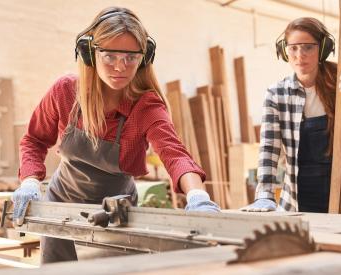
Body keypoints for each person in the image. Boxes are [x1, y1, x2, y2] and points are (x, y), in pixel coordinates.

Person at [12, 7, 220, 264]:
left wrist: (198, 197)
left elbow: (175, 155)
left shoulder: (146, 106)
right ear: (90, 53)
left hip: (117, 214)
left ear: (144, 58)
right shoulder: (65, 92)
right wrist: (30, 181)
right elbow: (34, 139)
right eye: (109, 56)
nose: (120, 67)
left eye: (131, 58)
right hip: (62, 209)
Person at [242, 17, 341, 215]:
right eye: (294, 48)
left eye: (308, 47)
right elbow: (269, 149)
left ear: (323, 49)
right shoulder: (277, 94)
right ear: (284, 51)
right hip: (302, 194)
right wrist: (264, 193)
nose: (300, 55)